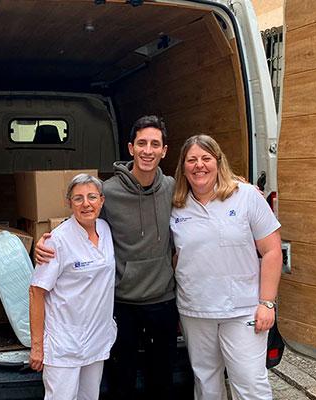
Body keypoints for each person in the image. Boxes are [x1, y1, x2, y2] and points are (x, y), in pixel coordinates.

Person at [35, 116, 178, 400]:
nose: (148, 150)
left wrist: (239, 186)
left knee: (162, 381)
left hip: (162, 300)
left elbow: (205, 190)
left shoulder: (173, 188)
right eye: (141, 143)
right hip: (122, 303)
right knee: (120, 381)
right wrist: (46, 239)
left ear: (164, 150)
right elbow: (83, 211)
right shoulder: (108, 191)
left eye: (155, 144)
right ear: (131, 148)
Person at [170, 134, 282, 400]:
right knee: (206, 383)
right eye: (192, 160)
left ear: (218, 162)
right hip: (195, 310)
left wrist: (267, 303)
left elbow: (272, 250)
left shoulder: (245, 196)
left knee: (250, 385)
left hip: (242, 310)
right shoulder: (175, 203)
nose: (199, 165)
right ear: (183, 167)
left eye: (206, 158)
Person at [29, 174, 117, 400]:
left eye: (92, 197)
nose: (86, 203)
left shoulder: (106, 230)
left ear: (102, 201)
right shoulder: (55, 241)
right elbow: (36, 291)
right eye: (78, 199)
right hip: (64, 343)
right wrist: (37, 346)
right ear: (69, 204)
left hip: (96, 340)